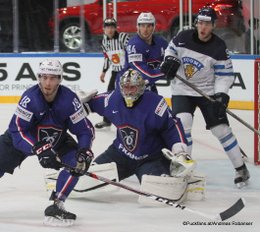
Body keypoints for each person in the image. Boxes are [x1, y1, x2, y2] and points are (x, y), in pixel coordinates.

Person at [160, 6, 250, 188]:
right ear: (196, 23)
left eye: (207, 24)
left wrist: (221, 96)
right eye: (200, 23)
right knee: (183, 124)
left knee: (222, 130)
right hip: (182, 90)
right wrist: (169, 61)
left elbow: (224, 76)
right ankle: (184, 170)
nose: (203, 27)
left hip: (207, 92)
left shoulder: (218, 47)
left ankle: (241, 169)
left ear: (214, 25)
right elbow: (170, 52)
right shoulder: (182, 38)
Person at [78, 69, 200, 202]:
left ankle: (187, 180)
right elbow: (88, 105)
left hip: (151, 159)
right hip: (120, 154)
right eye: (125, 87)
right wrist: (77, 102)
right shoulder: (113, 99)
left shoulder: (156, 104)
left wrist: (180, 151)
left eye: (132, 87)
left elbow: (172, 127)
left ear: (141, 87)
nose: (128, 91)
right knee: (86, 179)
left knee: (162, 194)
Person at [0, 59, 95, 226]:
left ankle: (58, 204)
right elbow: (17, 129)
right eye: (44, 77)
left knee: (77, 162)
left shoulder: (69, 100)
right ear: (38, 78)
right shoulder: (30, 98)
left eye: (52, 78)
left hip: (57, 139)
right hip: (24, 140)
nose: (48, 83)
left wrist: (85, 150)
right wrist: (38, 148)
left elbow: (85, 130)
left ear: (60, 79)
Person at [95, 18, 130, 129]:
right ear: (104, 29)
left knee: (126, 94)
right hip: (115, 71)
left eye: (112, 27)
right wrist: (104, 72)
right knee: (109, 94)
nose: (109, 30)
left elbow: (133, 51)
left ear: (115, 28)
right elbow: (107, 57)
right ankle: (107, 120)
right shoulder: (104, 41)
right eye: (107, 27)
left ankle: (128, 119)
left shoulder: (123, 37)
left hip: (126, 71)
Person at [123, 12, 168, 92]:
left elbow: (171, 57)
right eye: (142, 26)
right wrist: (166, 71)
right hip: (130, 88)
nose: (145, 29)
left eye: (149, 26)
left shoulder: (161, 43)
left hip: (149, 86)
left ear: (153, 27)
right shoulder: (134, 45)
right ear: (138, 27)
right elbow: (147, 75)